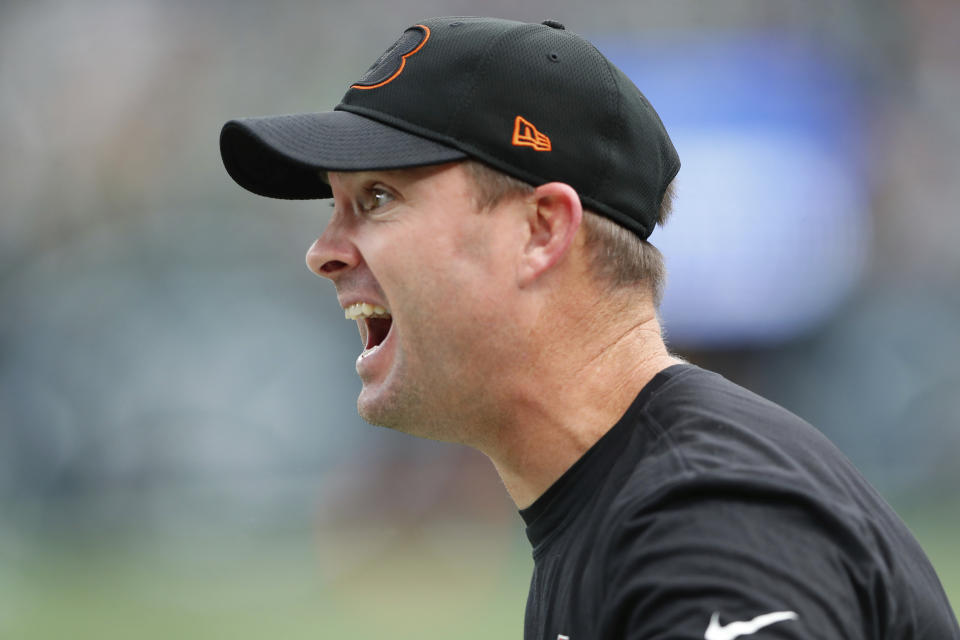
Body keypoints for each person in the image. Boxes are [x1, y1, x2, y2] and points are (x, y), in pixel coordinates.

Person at [220, 16, 959, 640]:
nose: (323, 251)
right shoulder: (619, 502)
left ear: (543, 231)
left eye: (377, 197)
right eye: (334, 204)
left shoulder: (703, 525)